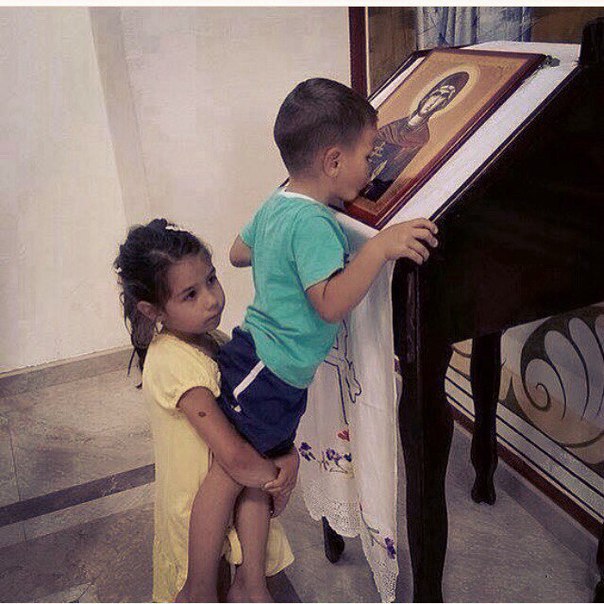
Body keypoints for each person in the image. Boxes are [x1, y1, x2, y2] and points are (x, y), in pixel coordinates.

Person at [181, 77, 440, 600]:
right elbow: (329, 303)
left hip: (272, 369)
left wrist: (277, 251)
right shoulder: (315, 224)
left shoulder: (279, 204)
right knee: (229, 474)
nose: (373, 165)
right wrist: (378, 248)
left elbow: (237, 252)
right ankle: (198, 589)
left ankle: (250, 583)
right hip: (267, 373)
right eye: (368, 154)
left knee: (260, 474)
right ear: (333, 161)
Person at [113, 219, 298, 603]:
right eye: (190, 294)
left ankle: (249, 586)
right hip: (199, 511)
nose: (212, 299)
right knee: (204, 588)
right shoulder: (174, 362)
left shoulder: (213, 340)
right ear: (152, 310)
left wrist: (287, 453)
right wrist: (277, 478)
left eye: (211, 280)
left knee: (242, 571)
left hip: (235, 498)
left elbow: (251, 420)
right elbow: (234, 456)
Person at [362, 71, 470, 201]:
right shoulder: (395, 124)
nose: (435, 102)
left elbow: (396, 170)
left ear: (443, 105)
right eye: (436, 94)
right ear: (427, 96)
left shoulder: (422, 137)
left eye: (443, 98)